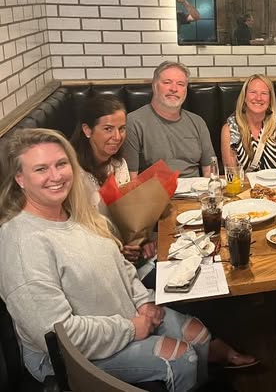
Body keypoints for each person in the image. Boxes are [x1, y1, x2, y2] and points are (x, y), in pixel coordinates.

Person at [0, 129, 256, 391]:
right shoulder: (22, 244)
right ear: (20, 178)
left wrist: (143, 301)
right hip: (72, 357)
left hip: (126, 317)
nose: (56, 176)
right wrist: (130, 329)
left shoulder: (75, 213)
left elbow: (119, 263)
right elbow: (58, 335)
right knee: (182, 358)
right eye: (41, 169)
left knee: (200, 336)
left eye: (61, 164)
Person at [69, 94, 156, 285]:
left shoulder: (119, 164)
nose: (117, 137)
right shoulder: (72, 174)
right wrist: (117, 249)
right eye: (108, 129)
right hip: (98, 265)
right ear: (87, 130)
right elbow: (77, 232)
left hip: (128, 256)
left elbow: (127, 214)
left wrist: (143, 239)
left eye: (122, 129)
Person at [124, 61, 215, 179]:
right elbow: (131, 178)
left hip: (195, 188)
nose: (174, 89)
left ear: (186, 90)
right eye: (167, 82)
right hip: (155, 189)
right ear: (154, 86)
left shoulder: (198, 122)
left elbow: (209, 170)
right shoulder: (133, 122)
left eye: (180, 84)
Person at [221, 74, 276, 171]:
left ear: (270, 99)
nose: (258, 98)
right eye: (253, 92)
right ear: (244, 97)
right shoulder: (230, 129)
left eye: (264, 93)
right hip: (244, 181)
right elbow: (232, 173)